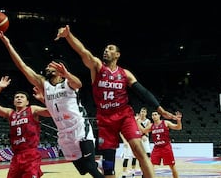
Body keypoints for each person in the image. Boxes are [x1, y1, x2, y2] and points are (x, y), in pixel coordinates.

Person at [55, 25, 177, 178]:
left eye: (110, 49)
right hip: (105, 120)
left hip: (124, 115)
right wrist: (68, 36)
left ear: (117, 54)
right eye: (105, 48)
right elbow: (83, 51)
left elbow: (143, 92)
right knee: (108, 166)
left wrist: (160, 109)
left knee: (139, 150)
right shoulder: (97, 67)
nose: (106, 50)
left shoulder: (125, 73)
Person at [0, 30, 103, 178]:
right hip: (64, 133)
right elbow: (23, 66)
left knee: (90, 166)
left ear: (59, 69)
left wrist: (67, 74)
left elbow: (79, 84)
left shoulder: (67, 83)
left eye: (51, 66)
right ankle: (98, 166)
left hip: (79, 127)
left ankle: (96, 167)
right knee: (83, 170)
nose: (47, 68)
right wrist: (7, 43)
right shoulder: (44, 85)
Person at [0, 76, 51, 178]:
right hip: (16, 156)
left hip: (31, 154)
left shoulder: (32, 109)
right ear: (13, 102)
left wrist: (43, 99)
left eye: (22, 97)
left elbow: (52, 112)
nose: (19, 98)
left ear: (27, 102)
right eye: (17, 97)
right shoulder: (10, 113)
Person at [137, 111, 182, 178]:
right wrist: (137, 121)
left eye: (155, 114)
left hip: (166, 147)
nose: (154, 116)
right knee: (150, 166)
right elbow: (143, 131)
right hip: (157, 148)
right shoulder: (151, 125)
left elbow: (178, 127)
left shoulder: (165, 123)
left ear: (159, 116)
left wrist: (178, 121)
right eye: (152, 115)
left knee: (172, 166)